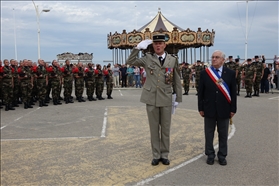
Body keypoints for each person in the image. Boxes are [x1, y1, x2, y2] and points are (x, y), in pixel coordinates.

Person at [126, 34, 182, 166]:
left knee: (166, 129)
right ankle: (156, 155)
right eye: (155, 43)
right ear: (153, 45)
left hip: (167, 98)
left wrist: (178, 97)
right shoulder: (147, 59)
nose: (157, 45)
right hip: (151, 98)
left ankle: (165, 154)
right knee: (154, 129)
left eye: (160, 43)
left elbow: (176, 80)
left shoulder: (172, 59)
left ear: (164, 45)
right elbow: (131, 61)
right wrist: (137, 48)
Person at [198, 50, 237, 166]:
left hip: (224, 109)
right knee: (209, 134)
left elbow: (233, 92)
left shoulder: (230, 73)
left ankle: (222, 155)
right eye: (213, 57)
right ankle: (210, 154)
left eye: (217, 57)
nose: (214, 59)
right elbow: (201, 92)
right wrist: (200, 107)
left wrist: (233, 109)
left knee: (223, 134)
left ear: (223, 60)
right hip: (209, 108)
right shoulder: (205, 73)